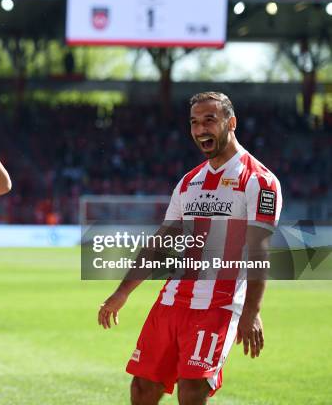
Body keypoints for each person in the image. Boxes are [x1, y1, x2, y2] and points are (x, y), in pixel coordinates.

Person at [98, 92, 282, 405]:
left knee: (192, 392)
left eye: (209, 120)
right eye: (194, 122)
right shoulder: (189, 182)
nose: (200, 129)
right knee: (142, 389)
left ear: (231, 122)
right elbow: (162, 243)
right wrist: (123, 291)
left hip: (218, 306)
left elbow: (259, 251)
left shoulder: (259, 180)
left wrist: (251, 311)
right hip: (172, 300)